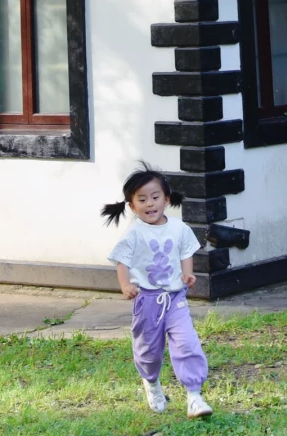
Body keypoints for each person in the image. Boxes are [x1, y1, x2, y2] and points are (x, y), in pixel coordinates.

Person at [103, 166, 214, 418]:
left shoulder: (178, 227)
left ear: (166, 199)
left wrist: (187, 274)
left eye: (155, 197)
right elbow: (122, 262)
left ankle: (194, 396)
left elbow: (185, 252)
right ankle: (151, 382)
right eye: (142, 199)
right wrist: (126, 285)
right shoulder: (134, 233)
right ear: (132, 206)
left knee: (186, 342)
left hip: (175, 298)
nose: (150, 204)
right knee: (149, 351)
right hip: (147, 301)